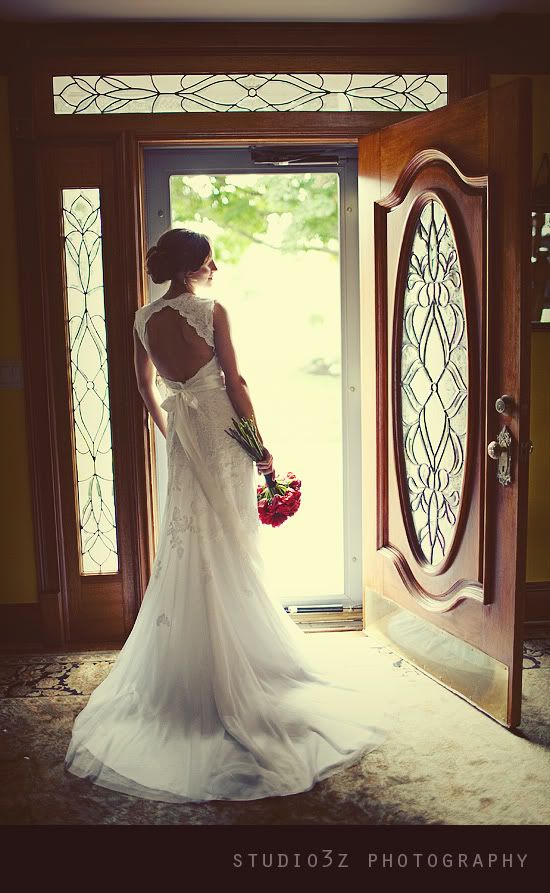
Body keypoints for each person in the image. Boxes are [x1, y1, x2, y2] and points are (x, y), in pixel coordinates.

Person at [64, 227, 388, 803]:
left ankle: (193, 667)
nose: (216, 266)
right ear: (195, 266)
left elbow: (142, 383)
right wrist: (260, 449)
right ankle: (239, 668)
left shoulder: (142, 318)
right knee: (231, 540)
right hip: (221, 430)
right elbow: (233, 381)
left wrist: (169, 427)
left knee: (190, 539)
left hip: (186, 434)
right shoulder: (210, 311)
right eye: (210, 258)